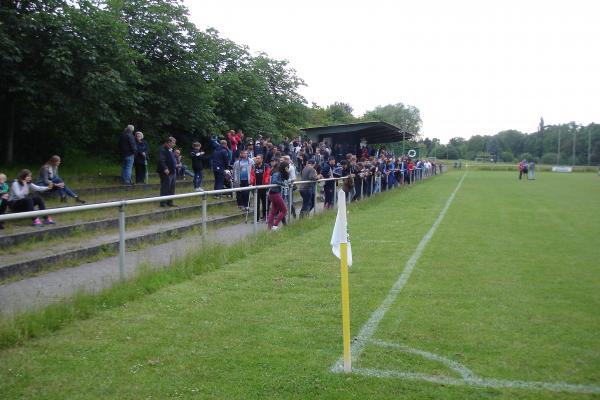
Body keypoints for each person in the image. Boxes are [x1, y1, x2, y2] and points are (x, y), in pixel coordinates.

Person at [267, 161, 289, 230]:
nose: (288, 168)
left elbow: (286, 178)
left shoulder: (281, 173)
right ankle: (275, 225)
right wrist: (282, 184)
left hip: (275, 193)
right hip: (274, 193)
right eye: (287, 167)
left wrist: (287, 172)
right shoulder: (277, 173)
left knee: (274, 210)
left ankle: (270, 226)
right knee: (284, 210)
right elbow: (274, 181)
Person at [157, 136, 177, 207]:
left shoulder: (171, 149)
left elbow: (172, 159)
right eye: (173, 143)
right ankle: (163, 203)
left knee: (172, 187)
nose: (174, 144)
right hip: (166, 171)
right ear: (168, 142)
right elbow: (161, 160)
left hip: (172, 171)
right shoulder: (162, 149)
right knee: (165, 187)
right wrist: (165, 168)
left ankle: (170, 202)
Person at [250, 155, 270, 222]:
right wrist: (251, 182)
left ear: (262, 159)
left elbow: (267, 175)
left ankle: (265, 216)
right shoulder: (254, 166)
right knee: (257, 203)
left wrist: (266, 183)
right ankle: (256, 218)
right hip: (256, 187)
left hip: (264, 187)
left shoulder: (265, 166)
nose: (257, 159)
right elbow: (252, 175)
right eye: (256, 158)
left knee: (265, 203)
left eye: (258, 158)